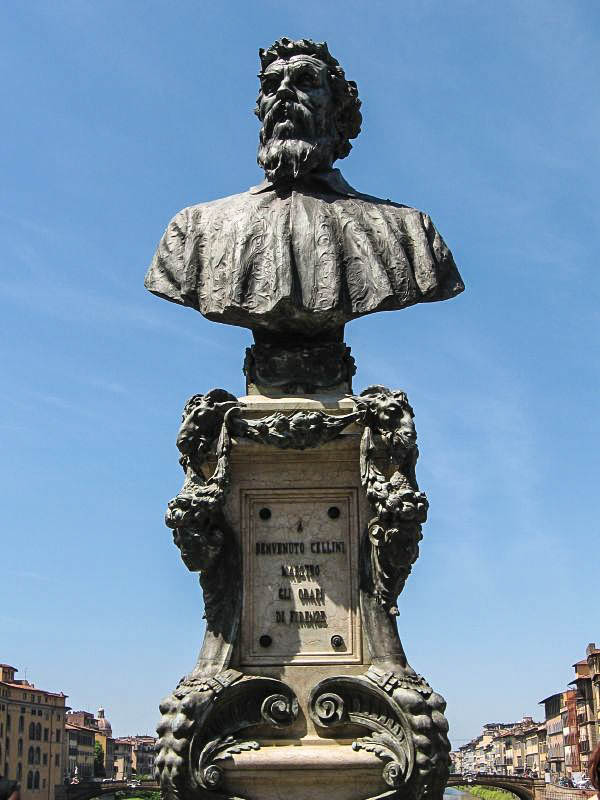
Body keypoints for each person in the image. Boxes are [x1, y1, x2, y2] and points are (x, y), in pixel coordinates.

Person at [145, 37, 464, 342]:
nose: (284, 92)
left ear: (338, 110)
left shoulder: (406, 230)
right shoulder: (194, 229)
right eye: (271, 86)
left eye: (305, 81)